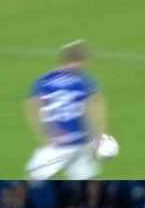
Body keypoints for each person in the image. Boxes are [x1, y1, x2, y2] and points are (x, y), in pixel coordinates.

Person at [23, 40, 107, 181]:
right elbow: (95, 108)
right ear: (78, 60)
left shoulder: (43, 81)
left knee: (33, 177)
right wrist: (99, 135)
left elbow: (31, 107)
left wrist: (41, 136)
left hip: (57, 142)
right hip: (81, 143)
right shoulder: (84, 80)